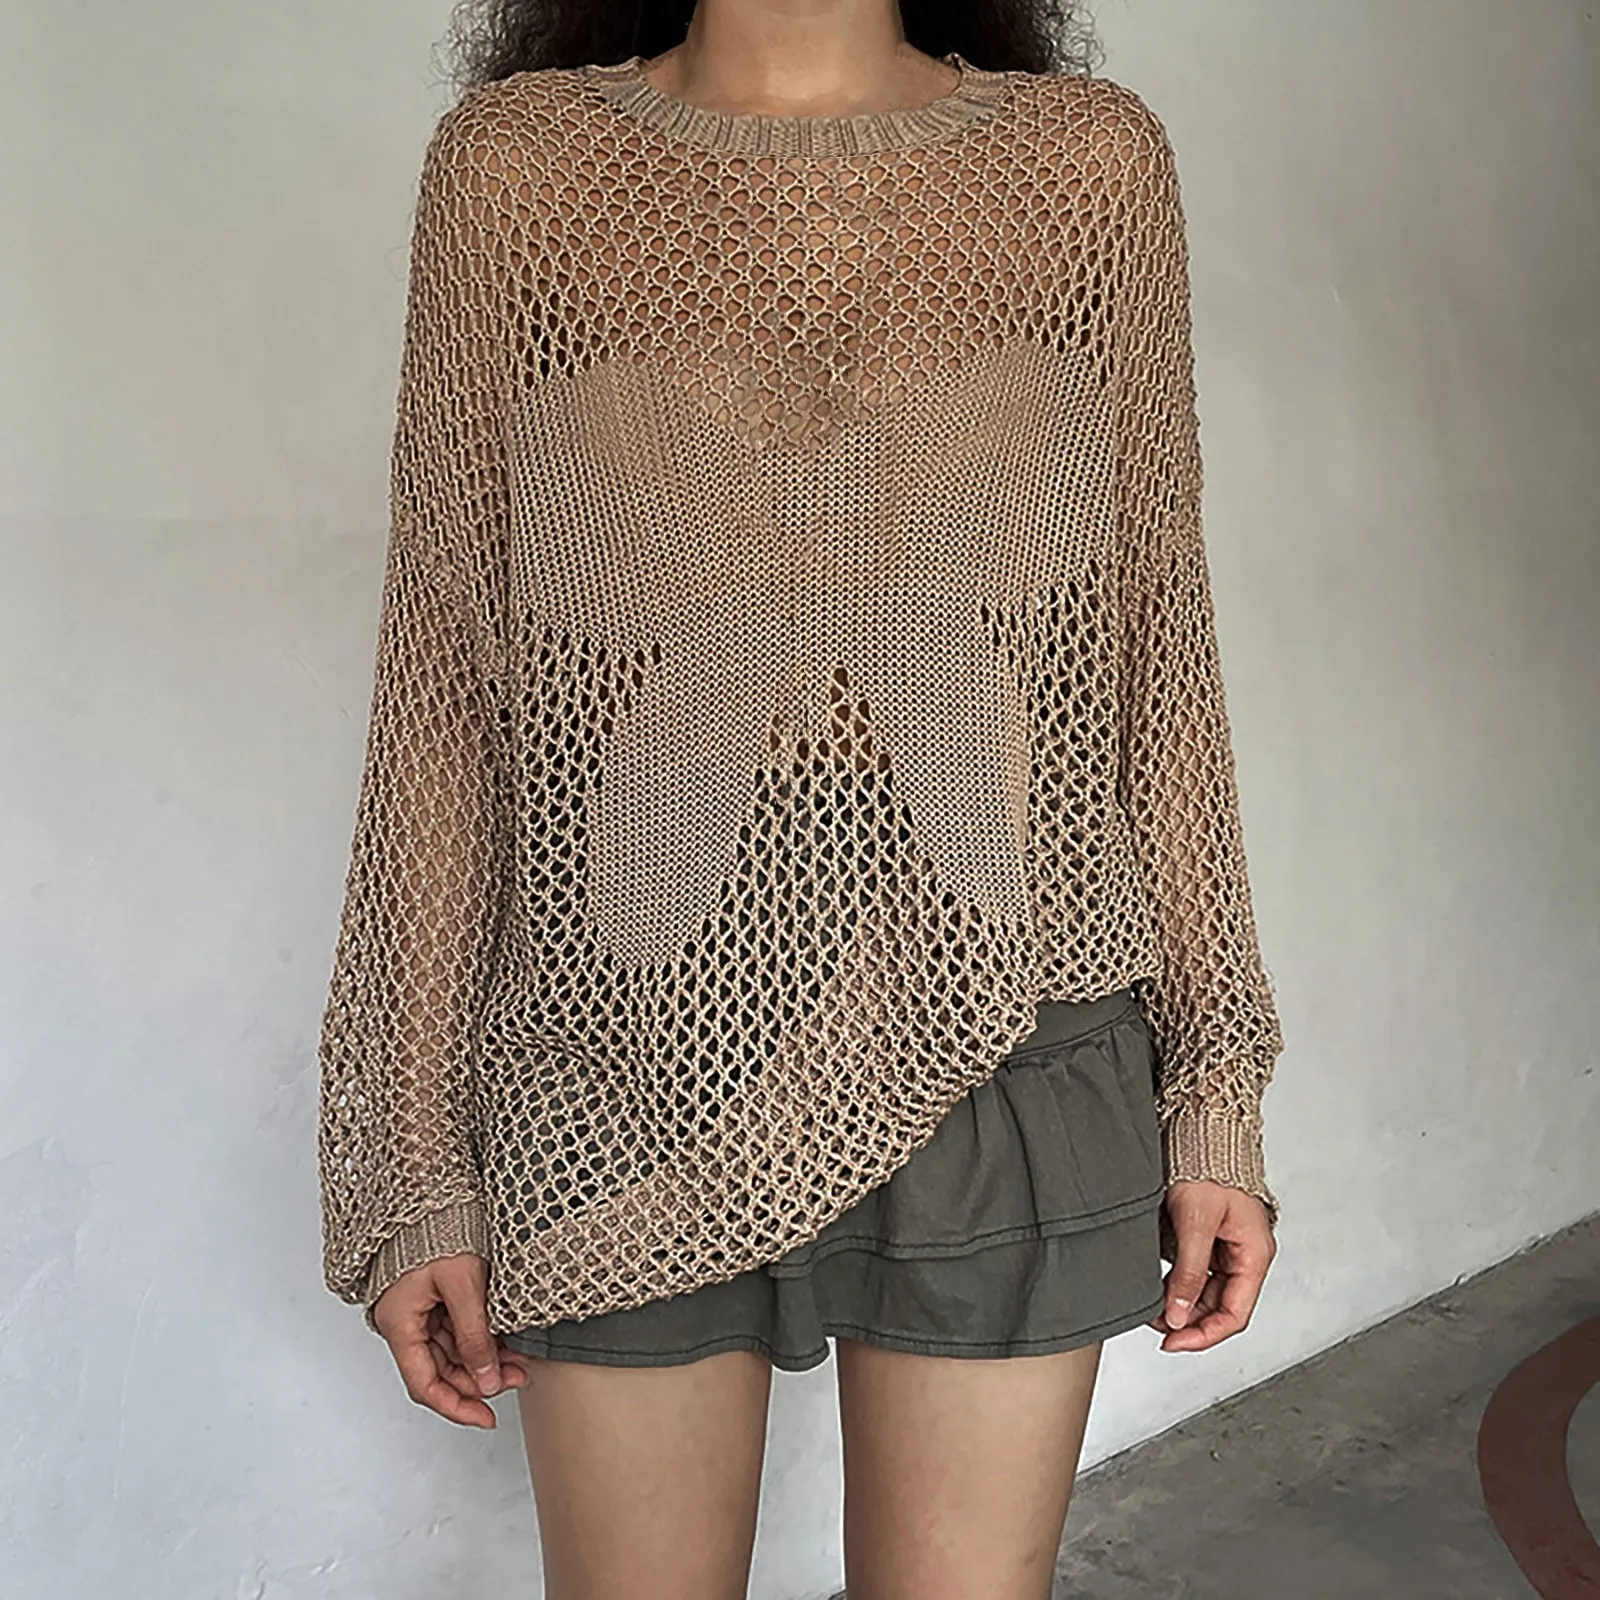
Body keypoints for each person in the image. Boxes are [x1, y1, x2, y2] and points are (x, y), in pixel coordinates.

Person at [315, 1, 1287, 1593]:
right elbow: (448, 686)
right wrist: (409, 1157)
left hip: (1013, 992)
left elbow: (1154, 658)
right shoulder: (520, 173)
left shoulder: (1085, 169)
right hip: (620, 1018)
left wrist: (1215, 1085)